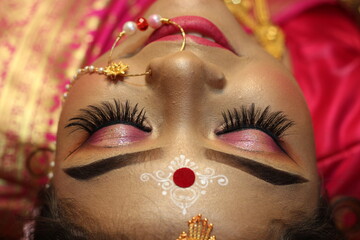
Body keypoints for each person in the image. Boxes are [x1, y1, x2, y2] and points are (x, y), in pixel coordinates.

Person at [0, 0, 359, 239]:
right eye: (250, 133)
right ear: (323, 190)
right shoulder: (350, 120)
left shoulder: (12, 85)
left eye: (117, 129)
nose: (183, 65)